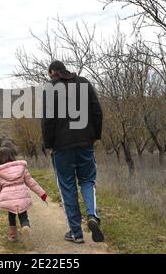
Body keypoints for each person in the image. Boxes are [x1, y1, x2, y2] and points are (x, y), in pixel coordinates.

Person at [41, 60, 104, 243]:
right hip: (85, 144)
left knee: (67, 187)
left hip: (61, 148)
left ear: (52, 71)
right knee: (87, 181)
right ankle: (92, 215)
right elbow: (97, 111)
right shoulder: (84, 82)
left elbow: (47, 120)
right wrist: (95, 137)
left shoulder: (51, 88)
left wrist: (49, 144)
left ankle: (76, 233)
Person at [0, 147, 48, 247]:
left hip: (8, 199)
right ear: (12, 156)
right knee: (23, 214)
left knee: (11, 215)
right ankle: (25, 226)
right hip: (22, 196)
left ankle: (12, 235)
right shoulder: (22, 168)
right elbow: (32, 183)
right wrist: (42, 194)